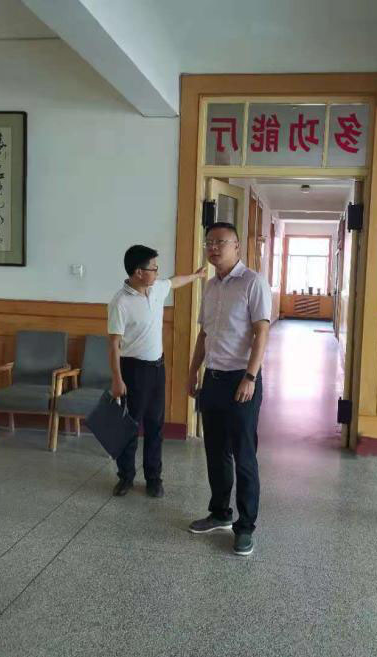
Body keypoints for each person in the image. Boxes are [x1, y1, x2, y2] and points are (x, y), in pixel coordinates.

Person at [187, 222, 271, 556]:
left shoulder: (253, 282)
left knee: (244, 455)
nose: (213, 247)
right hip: (213, 379)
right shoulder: (210, 287)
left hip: (241, 380)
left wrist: (250, 377)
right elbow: (204, 334)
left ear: (237, 246)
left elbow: (262, 332)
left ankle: (245, 526)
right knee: (215, 451)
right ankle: (220, 512)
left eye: (220, 242)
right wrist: (193, 371)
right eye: (209, 242)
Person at [107, 245, 205, 498]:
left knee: (155, 426)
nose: (157, 272)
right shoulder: (120, 302)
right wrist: (117, 379)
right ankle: (126, 477)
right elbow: (114, 344)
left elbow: (174, 281)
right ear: (139, 272)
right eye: (154, 268)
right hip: (132, 370)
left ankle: (153, 478)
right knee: (129, 426)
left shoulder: (156, 288)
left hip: (157, 369)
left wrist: (196, 276)